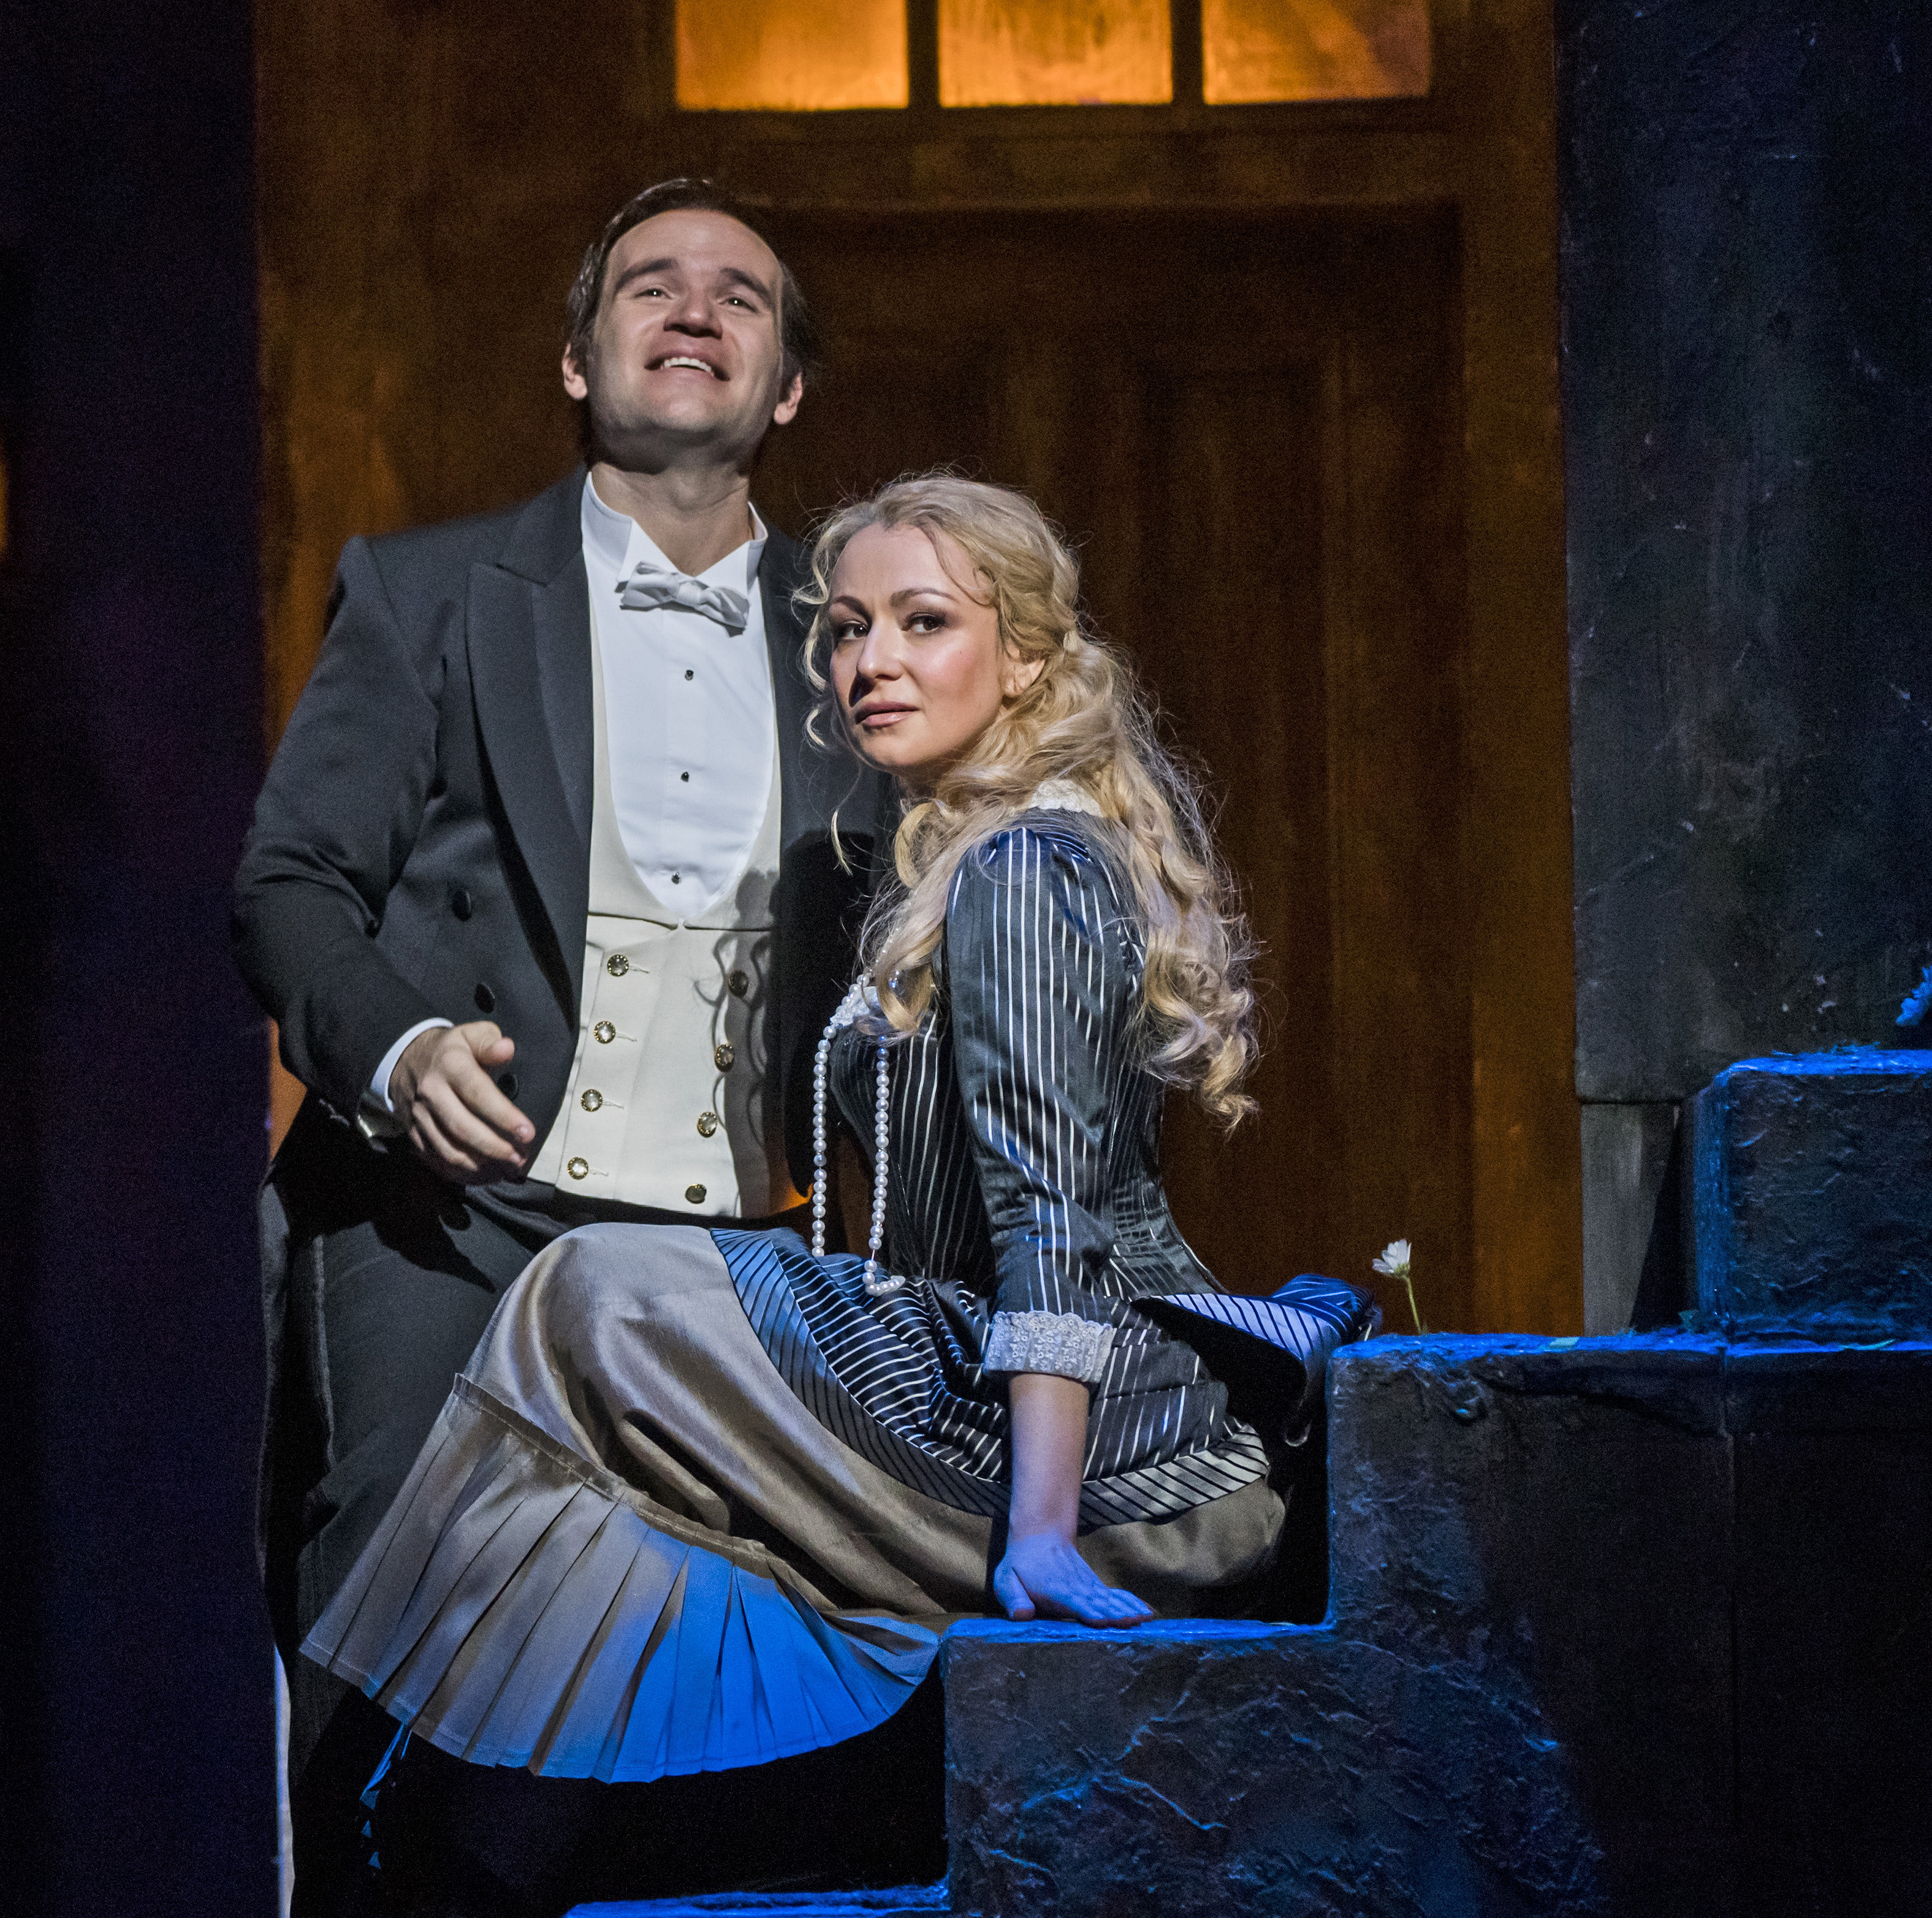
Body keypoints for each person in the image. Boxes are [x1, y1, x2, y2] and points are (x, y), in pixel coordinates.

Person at [301, 475, 1376, 1903]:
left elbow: (1050, 1220)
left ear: (1026, 660)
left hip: (1096, 1436)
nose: (871, 659)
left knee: (595, 1295)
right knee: (609, 1482)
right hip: (951, 1379)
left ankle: (393, 1796)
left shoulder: (1028, 870)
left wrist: (1043, 1531)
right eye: (850, 627)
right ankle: (451, 1834)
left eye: (923, 623)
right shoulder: (946, 864)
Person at [236, 180, 891, 1911]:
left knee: (672, 1725)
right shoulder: (428, 592)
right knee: (401, 1703)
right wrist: (393, 1049)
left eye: (738, 294)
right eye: (648, 285)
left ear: (786, 385)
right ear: (575, 357)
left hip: (729, 1256)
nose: (692, 309)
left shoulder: (858, 632)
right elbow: (289, 882)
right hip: (454, 1219)